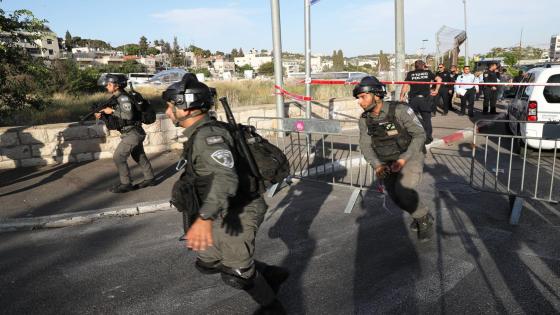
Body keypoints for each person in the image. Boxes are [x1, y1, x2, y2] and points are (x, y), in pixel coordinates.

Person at [163, 74, 288, 313]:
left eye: (171, 106)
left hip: (240, 209)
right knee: (208, 262)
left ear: (186, 108)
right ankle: (270, 274)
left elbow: (225, 177)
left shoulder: (208, 137)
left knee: (237, 274)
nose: (168, 112)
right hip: (221, 207)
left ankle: (273, 308)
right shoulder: (201, 133)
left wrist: (204, 218)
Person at [356, 76, 434, 241]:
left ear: (377, 95)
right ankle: (420, 214)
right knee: (395, 196)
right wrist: (377, 165)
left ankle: (423, 219)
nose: (359, 101)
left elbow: (420, 134)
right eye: (358, 98)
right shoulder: (364, 120)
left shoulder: (400, 110)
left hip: (411, 154)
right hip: (386, 159)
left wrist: (404, 159)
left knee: (403, 189)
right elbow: (365, 145)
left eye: (363, 96)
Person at [95, 74, 154, 193]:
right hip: (131, 132)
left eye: (109, 84)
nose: (107, 86)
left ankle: (126, 183)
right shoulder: (116, 98)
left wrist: (111, 110)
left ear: (116, 85)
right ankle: (150, 178)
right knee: (139, 156)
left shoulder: (123, 98)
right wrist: (102, 115)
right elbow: (118, 117)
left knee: (118, 156)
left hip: (133, 133)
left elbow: (128, 115)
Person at [400, 60, 441, 144]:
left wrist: (402, 96)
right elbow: (439, 79)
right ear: (423, 66)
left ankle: (414, 136)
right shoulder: (428, 72)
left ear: (415, 66)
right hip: (424, 100)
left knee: (412, 119)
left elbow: (405, 85)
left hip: (413, 100)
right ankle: (428, 138)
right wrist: (436, 90)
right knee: (427, 119)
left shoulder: (410, 74)